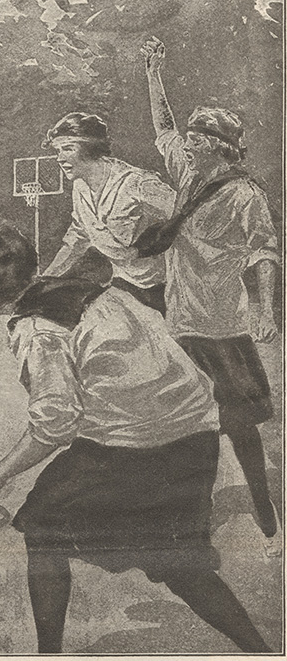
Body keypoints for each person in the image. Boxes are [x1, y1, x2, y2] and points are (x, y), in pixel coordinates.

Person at [0, 224, 273, 653]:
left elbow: (55, 423)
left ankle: (48, 653)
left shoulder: (38, 330)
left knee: (43, 529)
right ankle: (262, 653)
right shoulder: (93, 289)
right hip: (195, 434)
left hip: (137, 446)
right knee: (181, 564)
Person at [140, 36, 281, 555]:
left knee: (242, 432)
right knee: (186, 429)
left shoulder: (244, 194)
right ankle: (187, 522)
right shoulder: (186, 173)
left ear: (219, 146)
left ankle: (268, 519)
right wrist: (154, 71)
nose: (187, 143)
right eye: (191, 137)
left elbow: (264, 253)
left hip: (223, 327)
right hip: (180, 324)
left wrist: (265, 308)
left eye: (198, 138)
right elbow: (162, 128)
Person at [43, 112, 175, 314]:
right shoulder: (80, 187)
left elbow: (185, 214)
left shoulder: (137, 183)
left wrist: (149, 245)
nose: (60, 158)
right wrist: (44, 281)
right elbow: (77, 238)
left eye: (68, 149)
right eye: (58, 150)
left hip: (166, 289)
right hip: (124, 285)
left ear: (89, 148)